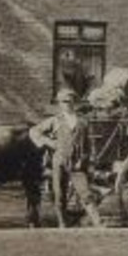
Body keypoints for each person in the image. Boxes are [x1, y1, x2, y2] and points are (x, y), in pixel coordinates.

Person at [28, 88, 100, 228]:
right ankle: (62, 223)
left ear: (74, 102)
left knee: (85, 192)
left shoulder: (83, 122)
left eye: (70, 101)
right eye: (64, 102)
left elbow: (90, 143)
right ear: (60, 104)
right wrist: (49, 142)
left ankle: (98, 222)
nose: (67, 104)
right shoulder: (55, 121)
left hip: (78, 162)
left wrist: (90, 160)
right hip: (59, 160)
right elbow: (34, 131)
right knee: (59, 193)